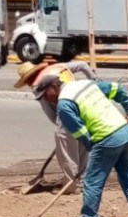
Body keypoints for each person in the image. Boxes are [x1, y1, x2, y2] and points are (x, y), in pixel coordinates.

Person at [32, 73, 128, 217]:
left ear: (54, 87)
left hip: (106, 138)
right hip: (125, 133)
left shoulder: (64, 105)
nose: (46, 99)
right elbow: (117, 89)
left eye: (45, 94)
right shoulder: (84, 84)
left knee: (92, 182)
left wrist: (92, 150)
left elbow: (81, 133)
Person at [14, 60, 97, 193]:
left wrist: (62, 128)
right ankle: (80, 180)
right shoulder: (58, 67)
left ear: (29, 78)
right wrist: (94, 81)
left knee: (66, 149)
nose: (28, 85)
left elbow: (50, 113)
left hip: (66, 111)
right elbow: (83, 65)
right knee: (82, 144)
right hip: (83, 105)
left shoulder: (38, 86)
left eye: (26, 81)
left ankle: (70, 184)